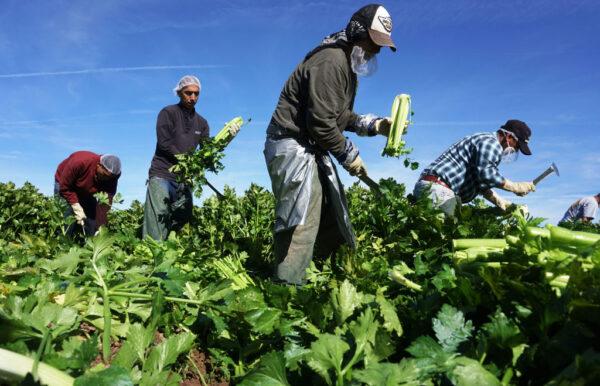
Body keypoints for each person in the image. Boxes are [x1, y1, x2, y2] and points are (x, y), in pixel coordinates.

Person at [264, 4, 396, 285]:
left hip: (311, 145)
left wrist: (373, 126)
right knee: (301, 217)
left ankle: (326, 278)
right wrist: (350, 155)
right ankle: (287, 287)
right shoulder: (331, 61)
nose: (376, 51)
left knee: (332, 211)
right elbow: (322, 123)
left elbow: (340, 116)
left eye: (380, 46)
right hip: (292, 143)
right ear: (358, 32)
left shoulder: (346, 67)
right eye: (373, 43)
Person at [142, 75, 240, 240]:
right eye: (188, 93)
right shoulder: (168, 113)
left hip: (184, 178)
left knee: (183, 217)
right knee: (158, 216)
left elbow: (207, 153)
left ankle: (172, 253)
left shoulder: (202, 123)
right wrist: (187, 160)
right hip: (162, 173)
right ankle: (150, 257)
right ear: (179, 93)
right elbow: (164, 143)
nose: (193, 97)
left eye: (196, 94)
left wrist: (228, 138)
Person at [413, 119, 535, 216]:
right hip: (439, 191)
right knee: (446, 236)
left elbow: (481, 182)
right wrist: (515, 187)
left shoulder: (484, 140)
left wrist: (500, 201)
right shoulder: (492, 144)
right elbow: (488, 175)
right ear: (509, 137)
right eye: (517, 145)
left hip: (431, 188)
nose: (515, 150)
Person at [54, 151, 121, 236]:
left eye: (110, 178)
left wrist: (100, 227)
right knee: (66, 217)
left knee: (91, 220)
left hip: (88, 190)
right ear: (98, 165)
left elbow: (105, 203)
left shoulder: (112, 177)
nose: (106, 179)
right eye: (104, 175)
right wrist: (76, 206)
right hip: (66, 184)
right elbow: (64, 188)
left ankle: (88, 241)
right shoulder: (80, 162)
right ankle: (63, 241)